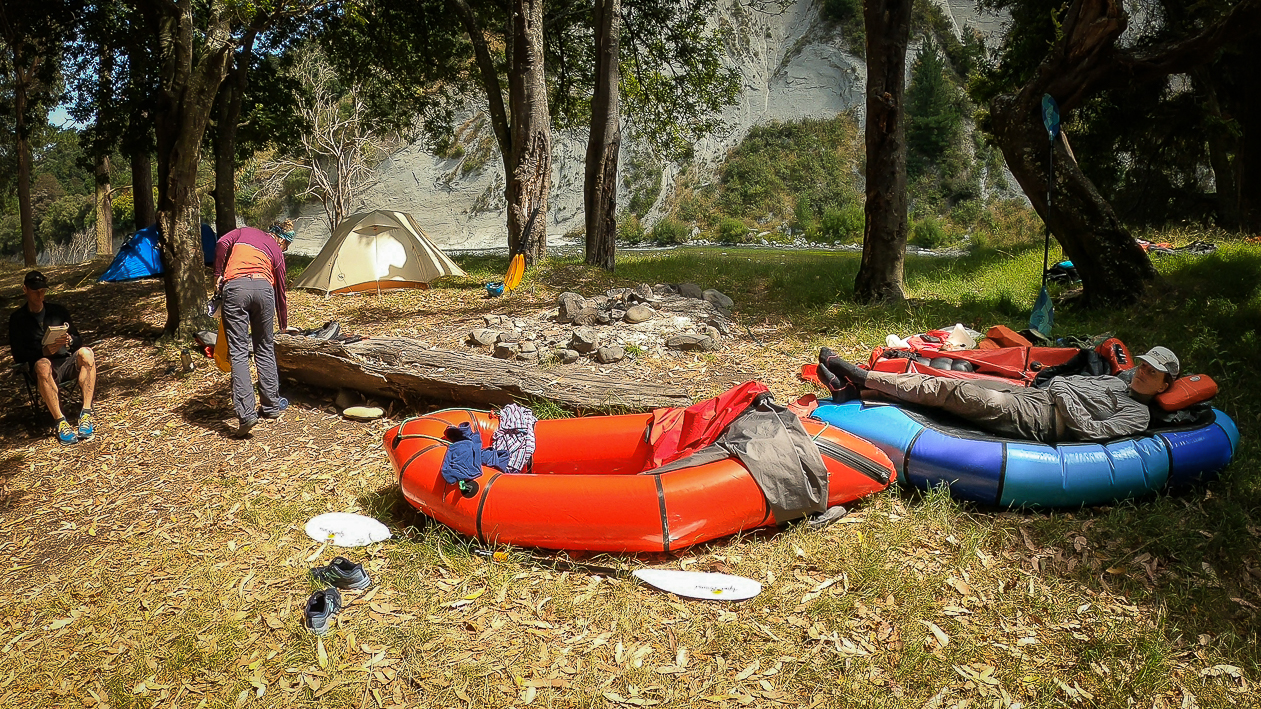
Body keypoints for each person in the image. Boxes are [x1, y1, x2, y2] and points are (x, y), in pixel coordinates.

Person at [817, 345, 1180, 443]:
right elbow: (1066, 382)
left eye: (1153, 373)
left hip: (1042, 419)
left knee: (955, 391)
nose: (1144, 372)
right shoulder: (1118, 381)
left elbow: (1089, 430)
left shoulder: (1139, 415)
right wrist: (1060, 386)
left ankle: (862, 376)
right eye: (1144, 365)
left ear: (1164, 385)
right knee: (960, 383)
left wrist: (1062, 392)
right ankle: (859, 389)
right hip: (1037, 397)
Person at [214, 220, 295, 437]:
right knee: (264, 347)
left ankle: (247, 413)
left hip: (236, 288)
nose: (284, 250)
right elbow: (281, 290)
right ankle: (271, 406)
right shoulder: (275, 250)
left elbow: (222, 242)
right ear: (281, 239)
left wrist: (217, 275)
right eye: (286, 246)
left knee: (239, 352)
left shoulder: (243, 232)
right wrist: (284, 323)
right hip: (264, 289)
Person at [8, 270, 98, 444]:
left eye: (42, 291)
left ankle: (86, 414)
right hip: (43, 369)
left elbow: (78, 339)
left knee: (87, 353)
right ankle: (60, 422)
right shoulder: (17, 319)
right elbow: (18, 355)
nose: (40, 295)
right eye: (35, 291)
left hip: (65, 360)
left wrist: (70, 341)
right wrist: (43, 352)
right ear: (25, 290)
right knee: (42, 364)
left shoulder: (58, 311)